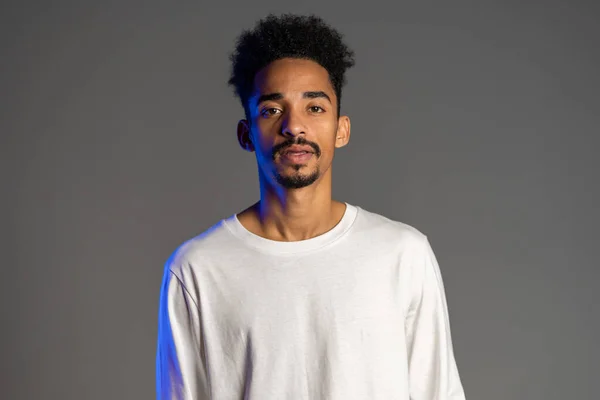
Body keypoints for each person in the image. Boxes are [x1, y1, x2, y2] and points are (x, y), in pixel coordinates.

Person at [156, 13, 466, 400]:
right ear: (246, 133)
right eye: (272, 110)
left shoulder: (403, 254)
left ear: (342, 129)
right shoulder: (198, 269)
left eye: (315, 108)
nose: (294, 126)